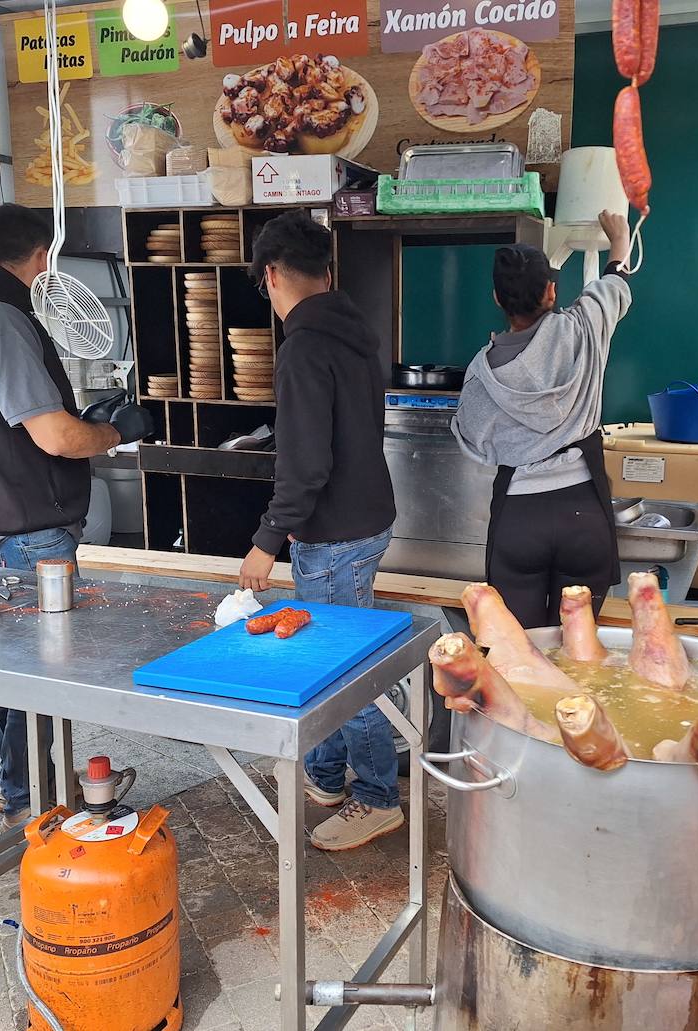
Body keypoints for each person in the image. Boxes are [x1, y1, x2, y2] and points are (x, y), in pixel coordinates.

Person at [0, 203, 153, 828]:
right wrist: (112, 431)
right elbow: (55, 437)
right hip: (26, 535)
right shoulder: (0, 317)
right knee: (36, 682)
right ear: (39, 258)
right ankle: (37, 810)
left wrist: (91, 417)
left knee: (13, 679)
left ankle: (22, 798)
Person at [237, 210, 401, 852]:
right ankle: (328, 775)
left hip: (333, 533)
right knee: (332, 654)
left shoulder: (303, 347)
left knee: (341, 668)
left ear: (272, 274)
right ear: (326, 272)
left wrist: (266, 539)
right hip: (366, 518)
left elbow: (306, 463)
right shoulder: (354, 327)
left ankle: (377, 797)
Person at [452, 211, 634, 629]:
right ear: (551, 292)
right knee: (579, 652)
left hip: (519, 521)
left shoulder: (481, 372)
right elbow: (615, 286)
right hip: (583, 516)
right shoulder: (584, 328)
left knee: (521, 653)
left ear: (498, 299)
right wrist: (619, 243)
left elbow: (472, 440)